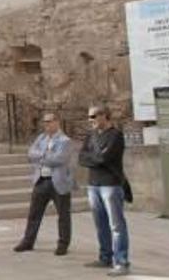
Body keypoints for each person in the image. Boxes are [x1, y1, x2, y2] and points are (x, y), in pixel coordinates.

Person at [79, 104, 131, 277]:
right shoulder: (91, 135)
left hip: (111, 185)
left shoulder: (116, 136)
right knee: (100, 224)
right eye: (89, 117)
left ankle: (121, 261)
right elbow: (81, 157)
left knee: (116, 225)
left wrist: (93, 157)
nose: (90, 120)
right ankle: (105, 257)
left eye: (93, 116)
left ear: (104, 116)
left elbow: (104, 158)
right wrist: (95, 157)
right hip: (93, 184)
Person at [13, 112, 74, 256]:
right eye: (44, 122)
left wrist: (40, 156)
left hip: (58, 182)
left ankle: (63, 244)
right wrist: (44, 155)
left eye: (49, 121)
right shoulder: (41, 138)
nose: (46, 124)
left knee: (63, 215)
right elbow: (30, 154)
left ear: (57, 122)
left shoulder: (65, 141)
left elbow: (59, 160)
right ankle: (28, 241)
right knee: (34, 213)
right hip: (41, 181)